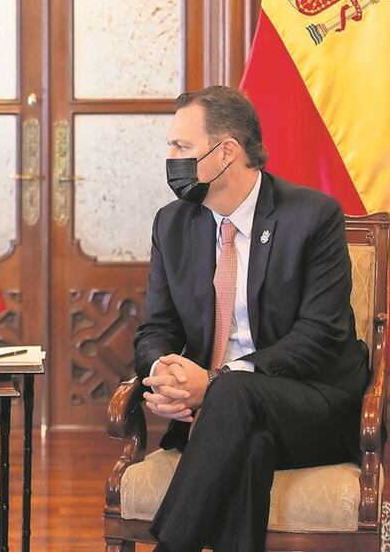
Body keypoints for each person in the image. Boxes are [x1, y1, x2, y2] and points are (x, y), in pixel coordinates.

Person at [135, 86, 369, 552]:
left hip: (310, 403)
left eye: (182, 147)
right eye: (170, 146)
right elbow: (155, 329)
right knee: (250, 444)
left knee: (236, 390)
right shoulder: (172, 223)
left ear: (227, 152)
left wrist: (216, 380)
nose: (170, 157)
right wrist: (166, 373)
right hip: (222, 418)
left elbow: (319, 337)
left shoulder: (313, 217)